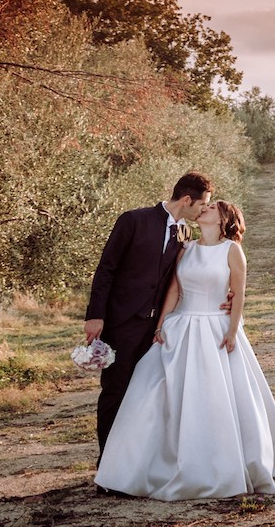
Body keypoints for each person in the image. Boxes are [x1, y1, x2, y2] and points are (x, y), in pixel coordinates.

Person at [93, 200, 275, 500]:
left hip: (216, 329)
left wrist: (232, 329)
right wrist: (161, 326)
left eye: (211, 207)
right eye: (204, 205)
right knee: (153, 390)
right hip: (182, 326)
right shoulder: (186, 248)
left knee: (219, 395)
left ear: (224, 218)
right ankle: (143, 464)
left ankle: (225, 462)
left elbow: (238, 293)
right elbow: (174, 290)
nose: (204, 210)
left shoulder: (232, 250)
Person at [84, 171, 218, 466]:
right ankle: (108, 464)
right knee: (115, 391)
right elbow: (106, 269)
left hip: (157, 329)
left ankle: (138, 461)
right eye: (201, 204)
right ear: (186, 199)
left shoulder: (186, 234)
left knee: (146, 394)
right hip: (121, 323)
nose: (203, 210)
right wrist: (95, 316)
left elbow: (183, 280)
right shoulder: (133, 220)